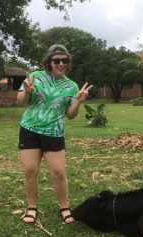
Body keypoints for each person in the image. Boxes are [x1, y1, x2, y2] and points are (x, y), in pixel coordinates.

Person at [17, 44, 92, 224]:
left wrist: (79, 101)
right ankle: (32, 207)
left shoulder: (72, 86)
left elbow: (70, 115)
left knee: (58, 172)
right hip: (29, 130)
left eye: (64, 60)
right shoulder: (35, 77)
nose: (61, 63)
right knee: (30, 170)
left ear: (68, 63)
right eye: (56, 60)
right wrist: (27, 91)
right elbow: (20, 101)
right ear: (49, 62)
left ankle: (64, 207)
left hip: (54, 132)